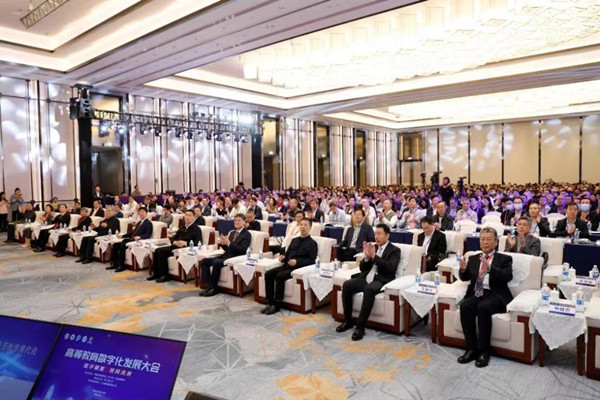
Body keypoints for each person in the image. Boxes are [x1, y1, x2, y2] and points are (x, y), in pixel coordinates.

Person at [457, 227, 513, 368]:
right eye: (482, 239)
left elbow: (507, 276)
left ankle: (484, 352)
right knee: (465, 306)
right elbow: (465, 277)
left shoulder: (504, 259)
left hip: (495, 294)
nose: (485, 242)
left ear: (496, 242)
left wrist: (490, 268)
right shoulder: (473, 258)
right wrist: (463, 269)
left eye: (489, 239)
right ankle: (471, 349)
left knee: (483, 308)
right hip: (477, 292)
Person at [336, 224, 401, 341]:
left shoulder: (394, 250)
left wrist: (374, 256)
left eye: (379, 234)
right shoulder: (373, 247)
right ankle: (348, 321)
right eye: (375, 234)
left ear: (387, 235)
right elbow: (362, 269)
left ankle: (360, 327)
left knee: (369, 289)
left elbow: (390, 268)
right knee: (347, 285)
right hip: (367, 277)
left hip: (381, 279)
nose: (376, 237)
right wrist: (366, 258)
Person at [262, 218, 318, 315]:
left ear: (310, 227)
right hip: (287, 265)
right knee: (268, 274)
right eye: (301, 225)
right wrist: (283, 257)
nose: (303, 227)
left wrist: (297, 262)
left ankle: (277, 305)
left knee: (279, 276)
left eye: (305, 225)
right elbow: (287, 253)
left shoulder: (313, 243)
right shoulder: (294, 240)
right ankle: (270, 302)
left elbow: (312, 260)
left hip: (298, 268)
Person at [199, 213, 251, 297]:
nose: (236, 222)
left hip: (234, 258)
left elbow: (242, 250)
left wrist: (229, 243)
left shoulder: (247, 234)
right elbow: (227, 248)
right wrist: (223, 243)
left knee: (216, 262)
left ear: (244, 222)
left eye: (239, 220)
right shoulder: (232, 232)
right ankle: (208, 286)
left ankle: (214, 288)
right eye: (235, 220)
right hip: (226, 256)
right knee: (204, 261)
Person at [148, 209, 202, 283]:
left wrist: (185, 243)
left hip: (185, 248)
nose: (187, 217)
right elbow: (173, 238)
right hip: (176, 246)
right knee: (157, 250)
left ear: (193, 217)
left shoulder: (196, 229)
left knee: (161, 252)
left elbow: (199, 242)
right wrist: (174, 242)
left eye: (190, 215)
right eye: (186, 215)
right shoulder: (182, 227)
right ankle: (156, 273)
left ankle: (165, 275)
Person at [110, 208, 153, 272]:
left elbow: (148, 234)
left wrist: (140, 237)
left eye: (142, 212)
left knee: (122, 245)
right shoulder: (139, 223)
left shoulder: (148, 223)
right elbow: (132, 233)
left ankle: (122, 266)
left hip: (137, 241)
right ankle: (115, 263)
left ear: (146, 213)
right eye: (140, 212)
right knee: (115, 245)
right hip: (131, 239)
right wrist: (122, 236)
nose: (141, 213)